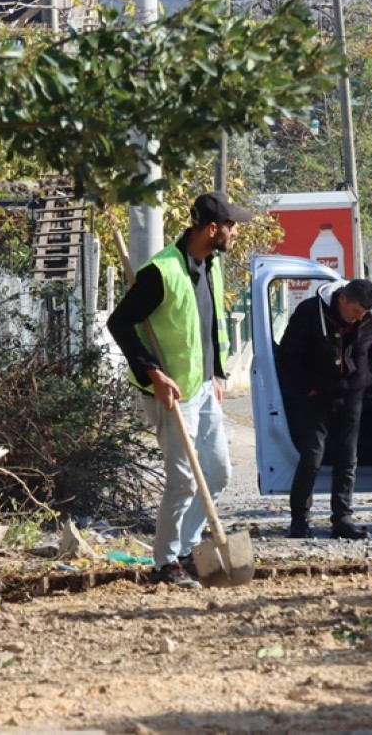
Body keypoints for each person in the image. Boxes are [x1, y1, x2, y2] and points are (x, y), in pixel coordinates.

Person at [106, 191, 254, 590]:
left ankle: (188, 549)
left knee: (219, 472)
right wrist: (154, 373)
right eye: (231, 225)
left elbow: (208, 325)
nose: (235, 231)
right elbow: (119, 324)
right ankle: (166, 561)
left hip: (203, 388)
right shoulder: (160, 272)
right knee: (183, 481)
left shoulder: (210, 264)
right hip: (171, 392)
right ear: (211, 228)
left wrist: (216, 374)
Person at [275, 278, 372, 540]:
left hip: (352, 395)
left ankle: (342, 519)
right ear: (342, 299)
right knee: (312, 457)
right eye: (356, 312)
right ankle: (300, 519)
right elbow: (288, 353)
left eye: (364, 314)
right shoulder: (310, 311)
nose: (359, 318)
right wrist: (305, 387)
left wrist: (367, 377)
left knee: (347, 458)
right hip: (317, 396)